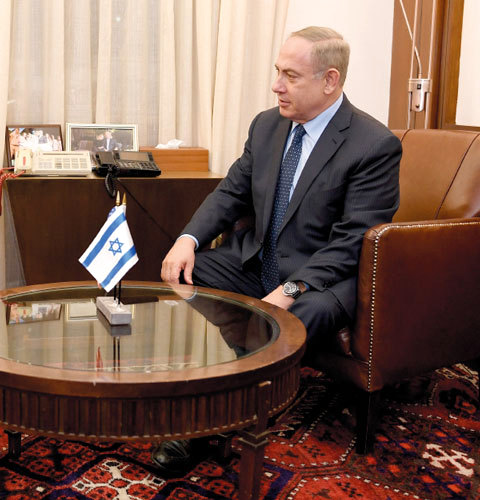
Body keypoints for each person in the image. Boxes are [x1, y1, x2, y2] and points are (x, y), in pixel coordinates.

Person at [154, 26, 401, 472]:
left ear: (329, 80)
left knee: (297, 314)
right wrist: (187, 240)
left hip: (325, 278)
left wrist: (290, 290)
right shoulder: (267, 125)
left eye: (290, 75)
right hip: (258, 260)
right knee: (190, 273)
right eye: (277, 72)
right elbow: (231, 192)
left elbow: (352, 240)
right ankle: (199, 375)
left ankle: (208, 424)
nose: (276, 86)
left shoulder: (373, 145)